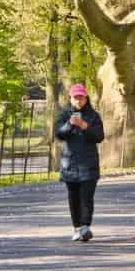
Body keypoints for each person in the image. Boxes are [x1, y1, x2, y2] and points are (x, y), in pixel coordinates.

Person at [55, 83, 104, 242]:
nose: (78, 100)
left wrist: (85, 126)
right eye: (75, 98)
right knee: (73, 198)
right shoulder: (64, 115)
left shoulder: (93, 116)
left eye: (81, 97)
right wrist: (70, 124)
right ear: (70, 98)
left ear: (86, 97)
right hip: (70, 164)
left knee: (87, 197)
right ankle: (76, 227)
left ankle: (85, 226)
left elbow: (99, 136)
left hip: (89, 164)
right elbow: (59, 134)